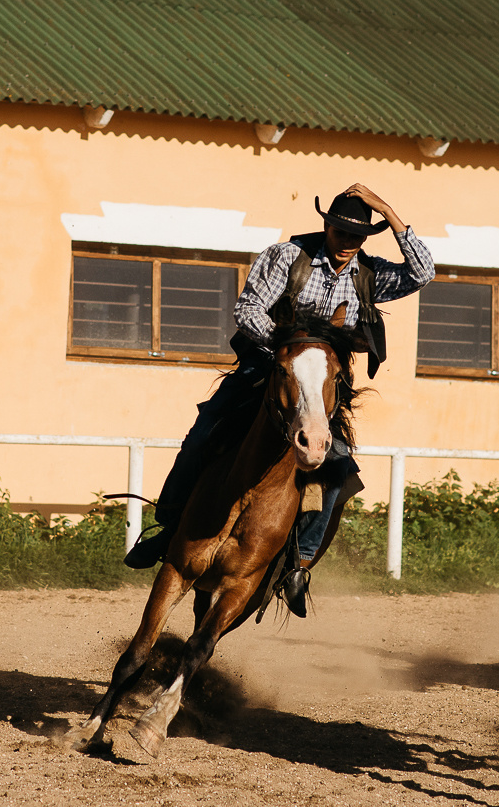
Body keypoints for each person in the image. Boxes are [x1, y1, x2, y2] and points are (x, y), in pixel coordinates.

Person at [123, 185, 435, 616]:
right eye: (342, 232)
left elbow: (422, 274)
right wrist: (291, 352)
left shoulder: (367, 273)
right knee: (202, 436)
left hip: (322, 388)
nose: (348, 244)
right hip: (270, 368)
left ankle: (298, 564)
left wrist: (388, 211)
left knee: (337, 469)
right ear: (326, 225)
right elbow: (248, 309)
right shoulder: (287, 256)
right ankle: (169, 529)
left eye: (359, 236)